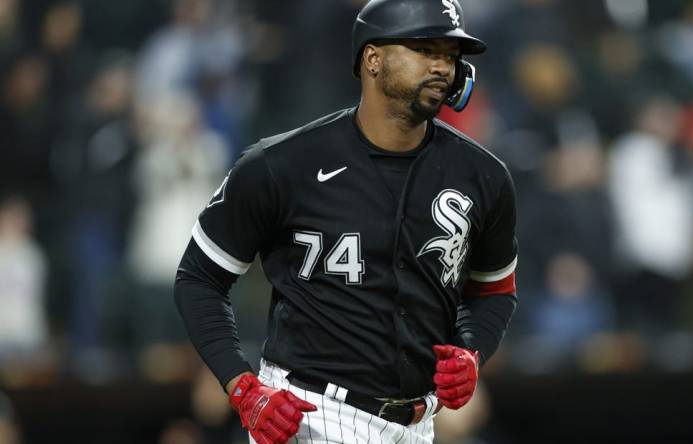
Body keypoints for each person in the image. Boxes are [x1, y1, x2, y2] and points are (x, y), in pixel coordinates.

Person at [174, 1, 518, 443]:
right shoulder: (283, 164)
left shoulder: (483, 175)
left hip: (420, 425)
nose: (441, 65)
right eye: (425, 48)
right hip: (310, 415)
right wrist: (242, 386)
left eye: (450, 55)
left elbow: (494, 292)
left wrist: (472, 351)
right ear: (373, 59)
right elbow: (199, 278)